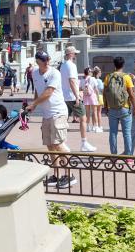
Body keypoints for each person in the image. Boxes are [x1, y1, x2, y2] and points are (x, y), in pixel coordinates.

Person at [27, 51, 76, 189]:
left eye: (48, 59)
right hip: (47, 114)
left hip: (58, 112)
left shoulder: (55, 73)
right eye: (44, 60)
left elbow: (48, 92)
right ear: (38, 61)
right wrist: (33, 104)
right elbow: (38, 90)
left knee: (59, 144)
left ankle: (69, 175)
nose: (47, 61)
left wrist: (34, 104)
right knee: (50, 145)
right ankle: (57, 175)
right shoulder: (35, 73)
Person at [59, 45, 95, 152]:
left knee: (64, 120)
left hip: (64, 96)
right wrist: (77, 96)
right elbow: (72, 81)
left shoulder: (62, 65)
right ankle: (84, 143)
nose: (75, 55)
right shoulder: (72, 65)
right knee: (83, 119)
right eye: (74, 53)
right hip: (72, 96)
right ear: (70, 54)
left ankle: (63, 142)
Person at [102, 57, 135, 155]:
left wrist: (105, 106)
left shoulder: (108, 77)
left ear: (114, 65)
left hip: (112, 109)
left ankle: (113, 156)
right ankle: (129, 157)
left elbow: (104, 93)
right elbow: (131, 94)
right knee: (127, 134)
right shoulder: (126, 77)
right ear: (123, 65)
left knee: (113, 133)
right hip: (124, 108)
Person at [80, 67, 100, 134]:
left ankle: (88, 126)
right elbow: (96, 89)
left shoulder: (82, 80)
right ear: (89, 72)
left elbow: (80, 89)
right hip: (92, 96)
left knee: (87, 113)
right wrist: (98, 96)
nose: (92, 72)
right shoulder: (93, 79)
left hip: (85, 97)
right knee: (94, 112)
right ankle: (96, 127)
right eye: (91, 71)